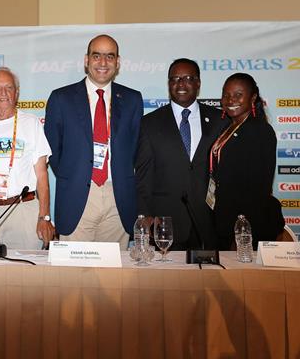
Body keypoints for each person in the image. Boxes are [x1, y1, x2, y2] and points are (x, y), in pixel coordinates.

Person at [44, 34, 142, 249]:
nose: (103, 63)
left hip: (118, 198)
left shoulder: (132, 99)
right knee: (74, 274)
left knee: (112, 275)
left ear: (118, 62)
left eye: (109, 56)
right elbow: (52, 150)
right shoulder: (61, 98)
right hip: (78, 196)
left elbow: (134, 148)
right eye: (96, 56)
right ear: (86, 60)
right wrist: (75, 175)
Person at [135, 58, 227, 249]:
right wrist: (145, 215)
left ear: (198, 83)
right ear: (169, 84)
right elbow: (143, 175)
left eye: (187, 78)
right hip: (165, 224)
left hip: (210, 221)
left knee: (210, 279)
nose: (181, 84)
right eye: (175, 79)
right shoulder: (150, 123)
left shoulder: (220, 120)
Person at [0, 67, 54, 249]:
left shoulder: (31, 123)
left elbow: (42, 177)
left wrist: (44, 217)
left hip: (22, 210)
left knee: (25, 274)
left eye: (8, 87)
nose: (3, 93)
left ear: (16, 93)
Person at [211, 73, 283, 249]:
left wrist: (242, 232)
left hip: (243, 227)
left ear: (253, 97)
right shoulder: (230, 126)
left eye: (238, 94)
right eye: (226, 95)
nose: (230, 100)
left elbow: (258, 189)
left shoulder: (259, 131)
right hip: (224, 218)